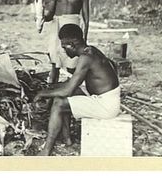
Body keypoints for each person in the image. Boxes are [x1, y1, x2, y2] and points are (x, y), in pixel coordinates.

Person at [34, 24, 120, 156]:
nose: (64, 50)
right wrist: (52, 89)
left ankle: (46, 150)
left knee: (59, 102)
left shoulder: (86, 58)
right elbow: (70, 85)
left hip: (106, 106)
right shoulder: (90, 51)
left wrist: (42, 93)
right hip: (106, 98)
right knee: (62, 91)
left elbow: (66, 91)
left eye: (64, 47)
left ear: (73, 44)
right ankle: (67, 139)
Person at [44, 0, 89, 84]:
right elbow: (49, 17)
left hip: (74, 24)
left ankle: (73, 92)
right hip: (57, 25)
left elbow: (86, 16)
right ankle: (52, 91)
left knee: (73, 63)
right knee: (55, 61)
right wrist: (42, 13)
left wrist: (84, 38)